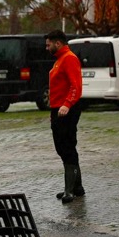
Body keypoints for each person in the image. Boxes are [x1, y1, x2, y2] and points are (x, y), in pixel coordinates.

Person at [44, 29, 84, 202]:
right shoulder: (60, 60)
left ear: (57, 43)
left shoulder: (69, 59)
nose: (47, 48)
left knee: (67, 147)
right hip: (58, 109)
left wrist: (67, 104)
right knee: (63, 147)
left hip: (66, 109)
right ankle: (77, 187)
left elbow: (76, 85)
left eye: (48, 44)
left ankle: (70, 190)